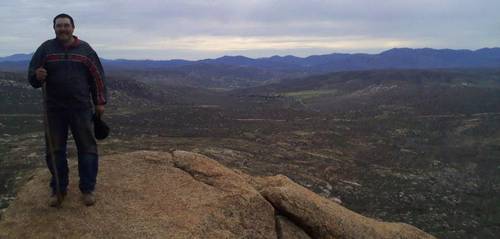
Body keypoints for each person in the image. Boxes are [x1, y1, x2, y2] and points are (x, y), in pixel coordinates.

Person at [28, 13, 107, 207]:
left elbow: (97, 77)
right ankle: (59, 189)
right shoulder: (45, 49)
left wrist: (100, 102)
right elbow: (32, 76)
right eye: (59, 26)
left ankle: (87, 189)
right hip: (54, 109)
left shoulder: (85, 50)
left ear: (73, 27)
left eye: (66, 25)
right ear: (54, 28)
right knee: (54, 150)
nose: (62, 29)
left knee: (87, 148)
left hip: (80, 107)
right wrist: (37, 76)